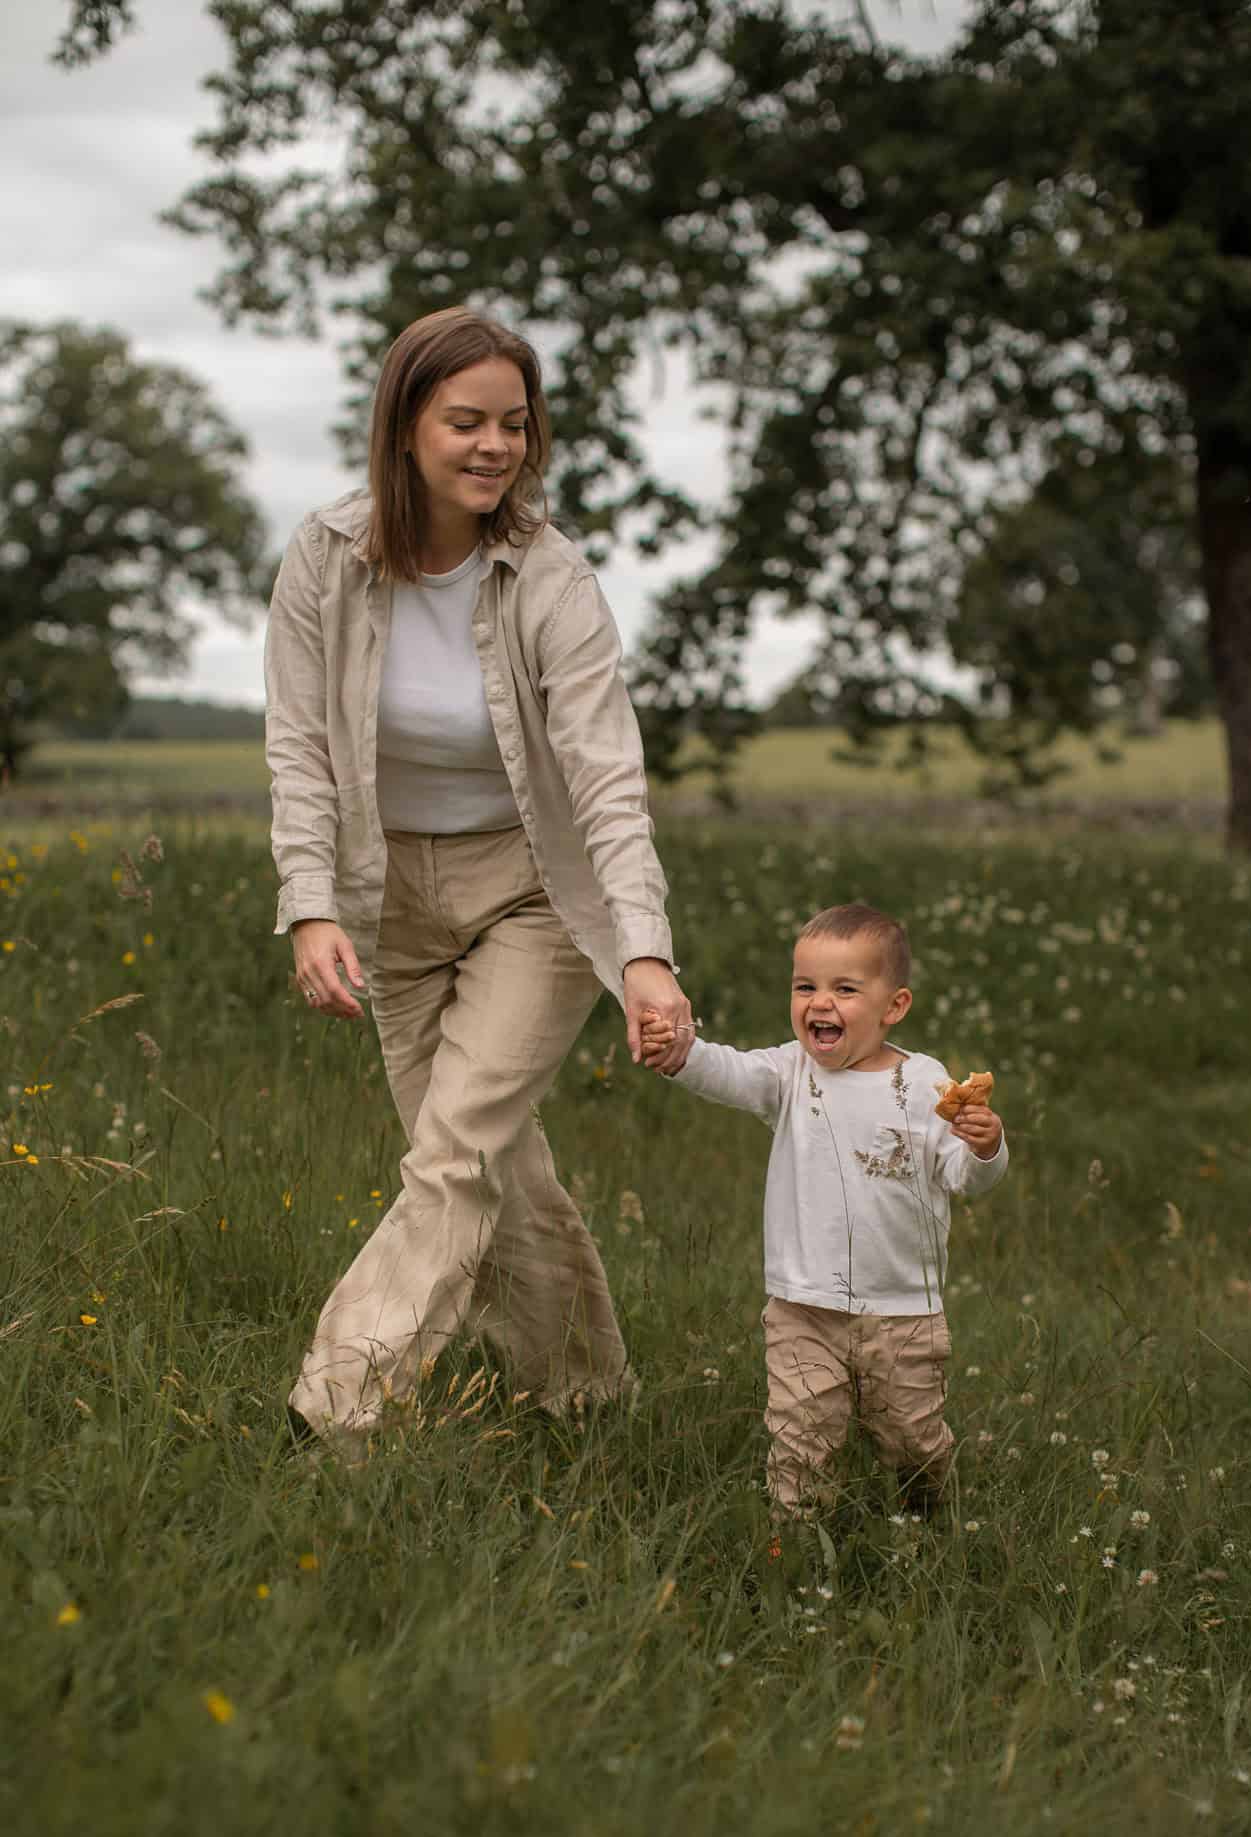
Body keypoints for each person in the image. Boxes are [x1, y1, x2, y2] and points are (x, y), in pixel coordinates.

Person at [266, 306, 695, 1450]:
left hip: (532, 894)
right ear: (406, 426)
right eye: (466, 421)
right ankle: (587, 1401)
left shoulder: (552, 578)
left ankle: (341, 1407)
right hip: (387, 895)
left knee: (453, 1155)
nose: (493, 445)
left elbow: (608, 776)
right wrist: (309, 906)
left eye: (513, 422)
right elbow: (300, 748)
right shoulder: (322, 558)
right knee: (498, 1162)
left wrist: (643, 953)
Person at [640, 902, 1007, 1517]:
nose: (820, 1003)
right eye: (805, 986)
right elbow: (727, 1070)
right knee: (799, 1440)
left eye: (845, 989)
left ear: (894, 1007)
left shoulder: (924, 1087)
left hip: (903, 1310)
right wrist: (681, 1052)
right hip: (802, 1306)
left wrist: (986, 1146)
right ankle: (794, 1543)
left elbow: (965, 1179)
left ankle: (928, 1525)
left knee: (913, 1440)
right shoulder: (791, 1072)